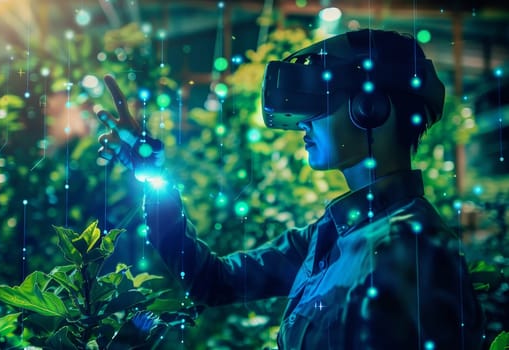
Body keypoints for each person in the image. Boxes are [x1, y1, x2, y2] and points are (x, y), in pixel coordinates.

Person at [96, 29, 485, 349]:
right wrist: (153, 178)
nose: (302, 122)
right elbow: (213, 280)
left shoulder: (414, 248)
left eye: (320, 102)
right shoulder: (329, 235)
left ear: (370, 108)